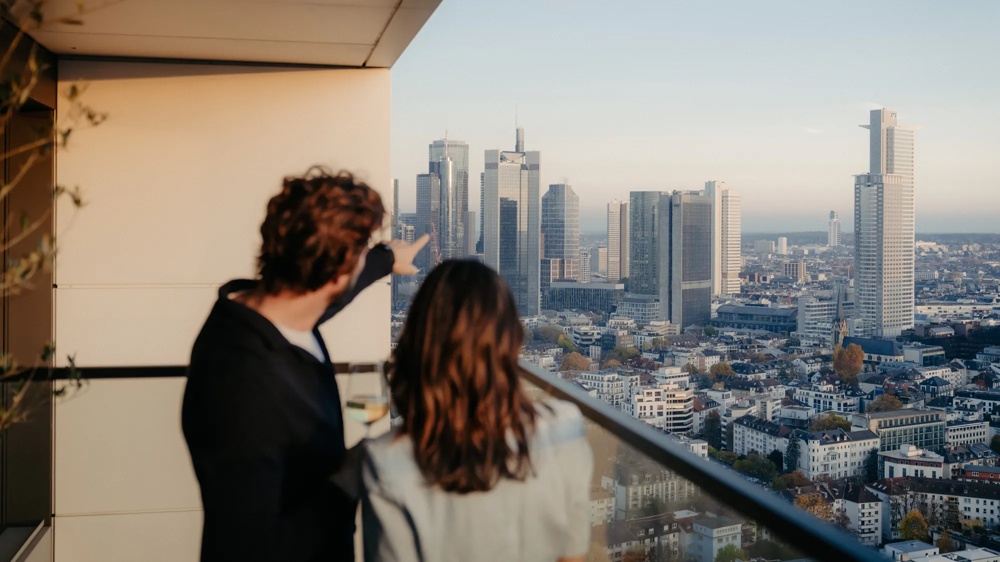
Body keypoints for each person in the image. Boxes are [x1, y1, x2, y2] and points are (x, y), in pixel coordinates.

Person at [182, 167, 427, 562]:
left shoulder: (262, 313)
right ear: (333, 273)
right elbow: (250, 547)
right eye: (360, 252)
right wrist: (357, 467)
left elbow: (329, 294)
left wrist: (385, 259)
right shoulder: (242, 385)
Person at [361, 260, 592, 562]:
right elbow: (573, 557)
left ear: (418, 343)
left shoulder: (386, 462)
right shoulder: (563, 430)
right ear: (510, 341)